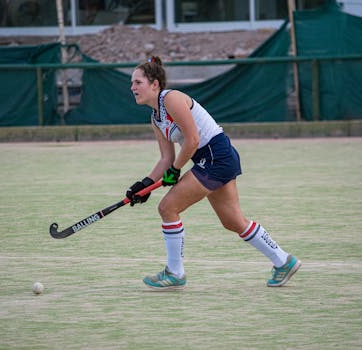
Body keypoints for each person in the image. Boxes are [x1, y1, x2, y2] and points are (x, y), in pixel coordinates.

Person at [126, 56, 301, 290]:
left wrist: (175, 171)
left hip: (216, 155)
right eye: (132, 83)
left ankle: (175, 272)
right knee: (233, 221)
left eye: (138, 82)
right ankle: (283, 261)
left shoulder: (171, 99)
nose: (133, 88)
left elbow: (193, 139)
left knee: (168, 207)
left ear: (155, 84)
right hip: (211, 158)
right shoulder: (156, 118)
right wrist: (144, 184)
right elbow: (166, 158)